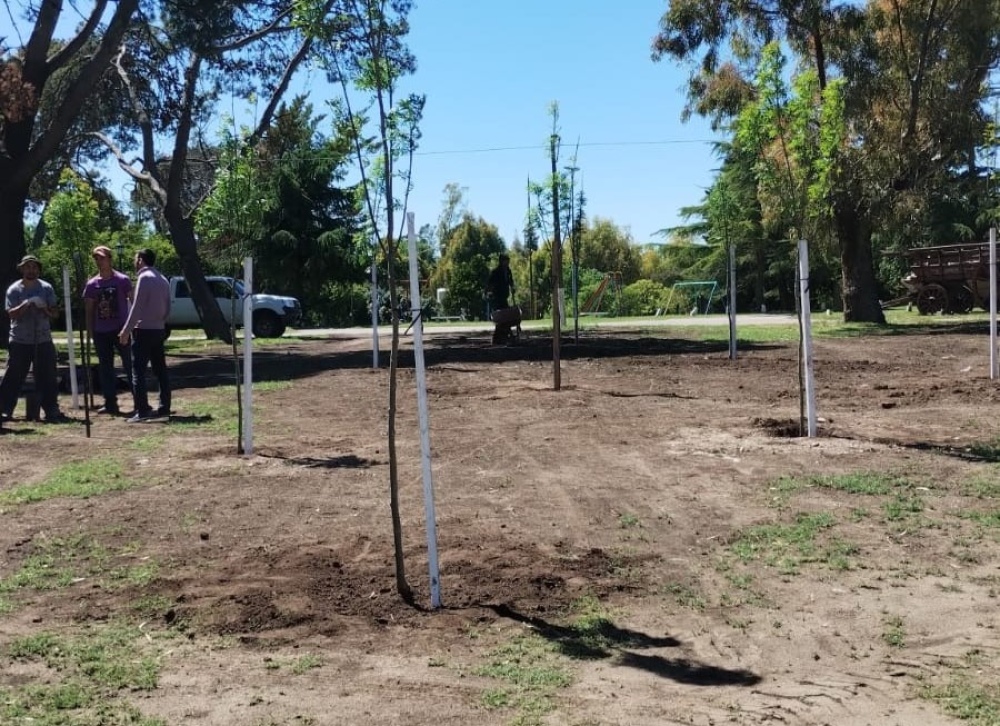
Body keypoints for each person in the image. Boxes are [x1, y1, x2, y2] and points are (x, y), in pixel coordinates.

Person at [0, 255, 70, 422]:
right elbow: (11, 314)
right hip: (20, 340)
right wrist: (27, 303)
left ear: (38, 269)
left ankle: (51, 410)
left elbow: (54, 314)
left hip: (43, 339)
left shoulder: (46, 288)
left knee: (48, 376)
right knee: (13, 376)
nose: (31, 270)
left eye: (34, 267)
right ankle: (4, 410)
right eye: (28, 267)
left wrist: (44, 308)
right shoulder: (14, 290)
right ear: (22, 269)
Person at [119, 248, 171, 423]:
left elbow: (137, 307)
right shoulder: (163, 279)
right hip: (159, 330)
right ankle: (164, 407)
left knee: (138, 372)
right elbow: (168, 308)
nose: (134, 262)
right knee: (161, 370)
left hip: (143, 331)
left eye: (135, 258)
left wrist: (126, 331)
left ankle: (142, 410)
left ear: (140, 260)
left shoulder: (144, 277)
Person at [83, 245, 133, 414]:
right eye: (96, 258)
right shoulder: (92, 284)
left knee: (129, 364)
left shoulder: (122, 280)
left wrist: (133, 326)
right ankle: (111, 403)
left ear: (110, 259)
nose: (99, 261)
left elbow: (133, 302)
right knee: (106, 368)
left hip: (121, 329)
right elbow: (89, 310)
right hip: (101, 332)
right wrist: (90, 331)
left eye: (102, 258)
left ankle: (140, 401)